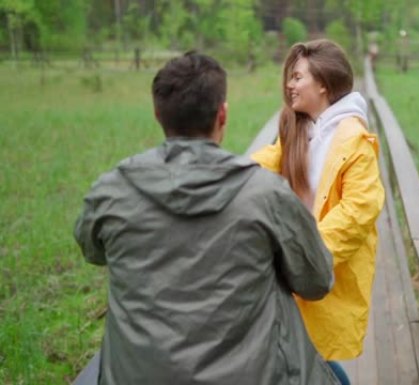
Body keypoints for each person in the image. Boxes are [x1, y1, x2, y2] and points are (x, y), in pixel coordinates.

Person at [74, 52, 340, 385]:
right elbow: (317, 281)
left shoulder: (111, 191)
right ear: (222, 115)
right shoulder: (267, 196)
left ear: (158, 114)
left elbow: (92, 250)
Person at [252, 39, 385, 384]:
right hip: (292, 261)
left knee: (303, 355)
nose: (289, 84)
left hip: (321, 266)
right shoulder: (298, 130)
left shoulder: (354, 140)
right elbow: (262, 166)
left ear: (323, 83)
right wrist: (217, 176)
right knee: (293, 353)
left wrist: (307, 254)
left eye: (298, 77)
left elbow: (359, 210)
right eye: (290, 77)